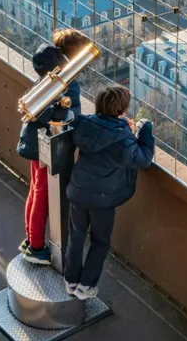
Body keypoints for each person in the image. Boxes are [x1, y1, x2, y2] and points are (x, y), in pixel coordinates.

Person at [64, 85, 154, 299]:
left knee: (76, 236)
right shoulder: (123, 140)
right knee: (100, 241)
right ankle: (86, 286)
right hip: (103, 199)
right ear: (122, 110)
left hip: (78, 190)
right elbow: (143, 159)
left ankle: (71, 280)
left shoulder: (84, 124)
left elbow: (99, 132)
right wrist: (145, 131)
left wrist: (123, 128)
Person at [16, 28, 89, 265]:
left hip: (34, 137)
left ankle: (30, 239)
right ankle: (36, 247)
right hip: (47, 143)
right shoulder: (67, 82)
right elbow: (72, 116)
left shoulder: (51, 71)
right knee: (42, 195)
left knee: (35, 190)